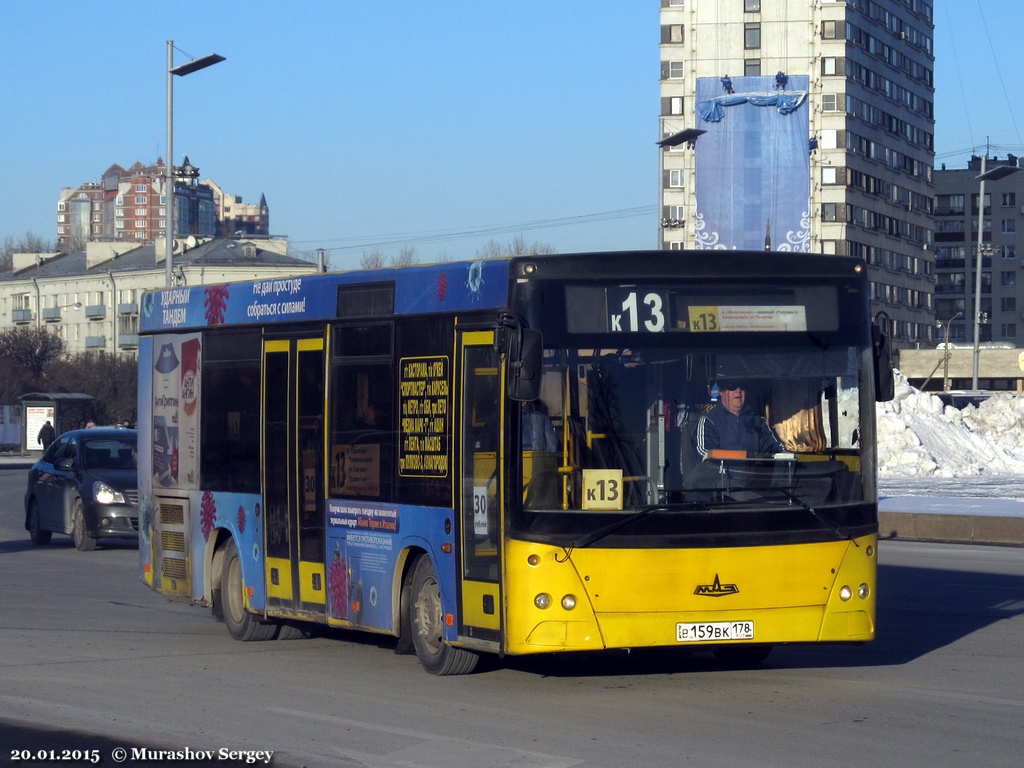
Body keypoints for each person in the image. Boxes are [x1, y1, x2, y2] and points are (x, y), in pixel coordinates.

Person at [693, 379, 783, 460]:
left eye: (742, 386)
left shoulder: (758, 420)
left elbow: (773, 448)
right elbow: (705, 454)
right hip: (722, 477)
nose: (739, 391)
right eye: (732, 386)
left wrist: (785, 455)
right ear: (721, 391)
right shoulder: (709, 420)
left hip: (754, 476)